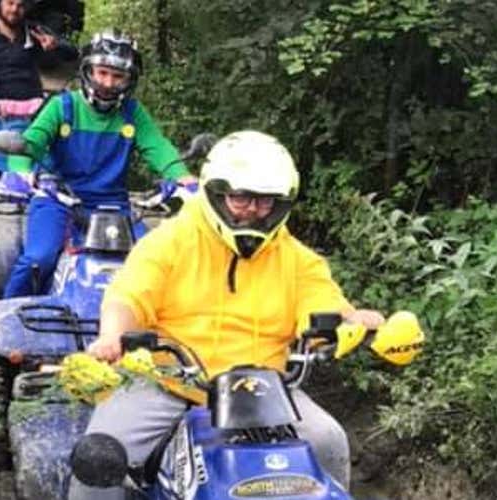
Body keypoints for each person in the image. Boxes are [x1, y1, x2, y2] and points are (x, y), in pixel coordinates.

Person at [68, 130, 386, 499]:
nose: (252, 209)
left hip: (264, 394)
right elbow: (129, 296)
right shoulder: (170, 242)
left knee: (329, 440)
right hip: (169, 383)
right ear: (216, 193)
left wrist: (352, 321)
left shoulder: (297, 258)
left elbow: (322, 305)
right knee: (100, 459)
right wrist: (112, 337)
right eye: (241, 198)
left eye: (265, 201)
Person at [0, 31, 197, 298]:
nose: (108, 83)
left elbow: (158, 148)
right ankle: (4, 328)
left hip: (114, 207)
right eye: (102, 73)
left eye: (117, 76)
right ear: (87, 71)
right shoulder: (63, 106)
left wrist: (186, 180)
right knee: (39, 258)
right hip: (57, 199)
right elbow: (30, 144)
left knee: (156, 263)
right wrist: (20, 173)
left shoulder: (132, 113)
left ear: (129, 80)